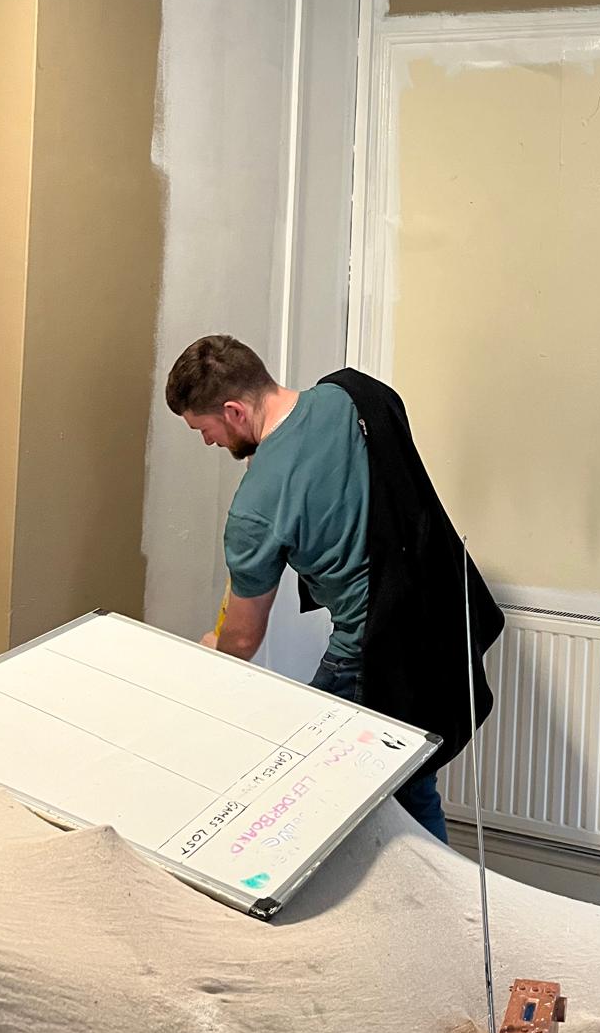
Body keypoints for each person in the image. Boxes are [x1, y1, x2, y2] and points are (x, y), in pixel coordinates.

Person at [165, 334, 504, 844]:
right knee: (413, 786)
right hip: (438, 620)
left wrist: (214, 647)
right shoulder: (357, 394)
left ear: (234, 411)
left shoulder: (255, 508)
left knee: (312, 788)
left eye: (204, 428)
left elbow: (242, 639)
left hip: (372, 653)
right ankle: (438, 905)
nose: (208, 441)